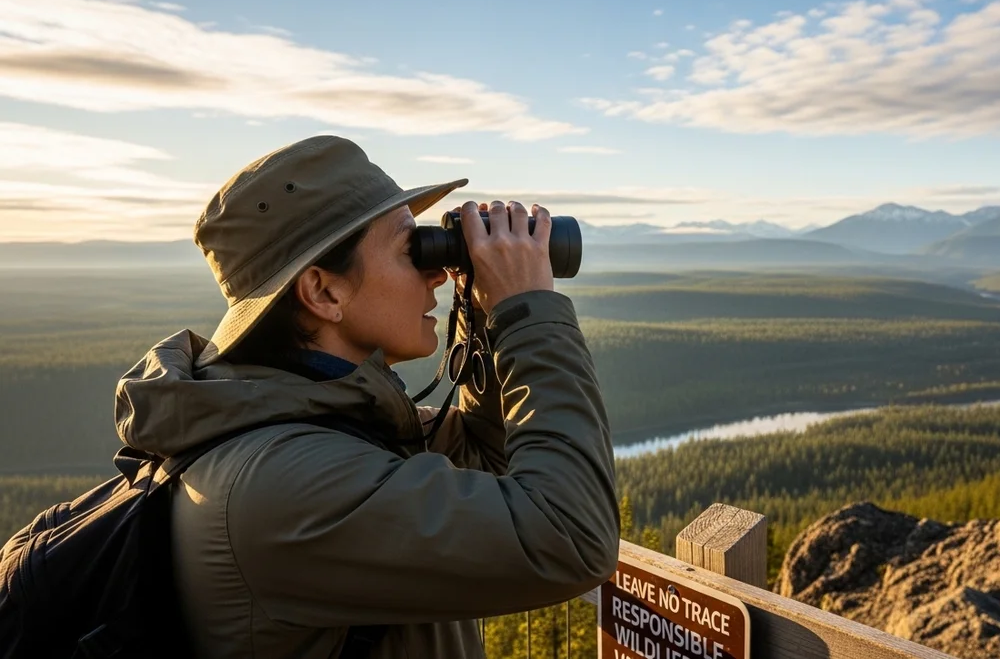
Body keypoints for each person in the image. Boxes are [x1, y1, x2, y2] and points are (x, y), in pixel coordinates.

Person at [114, 135, 620, 657]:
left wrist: (485, 318)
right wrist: (528, 309)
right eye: (410, 249)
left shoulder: (323, 422)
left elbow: (488, 456)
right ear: (324, 292)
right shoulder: (285, 484)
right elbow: (570, 536)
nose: (439, 272)